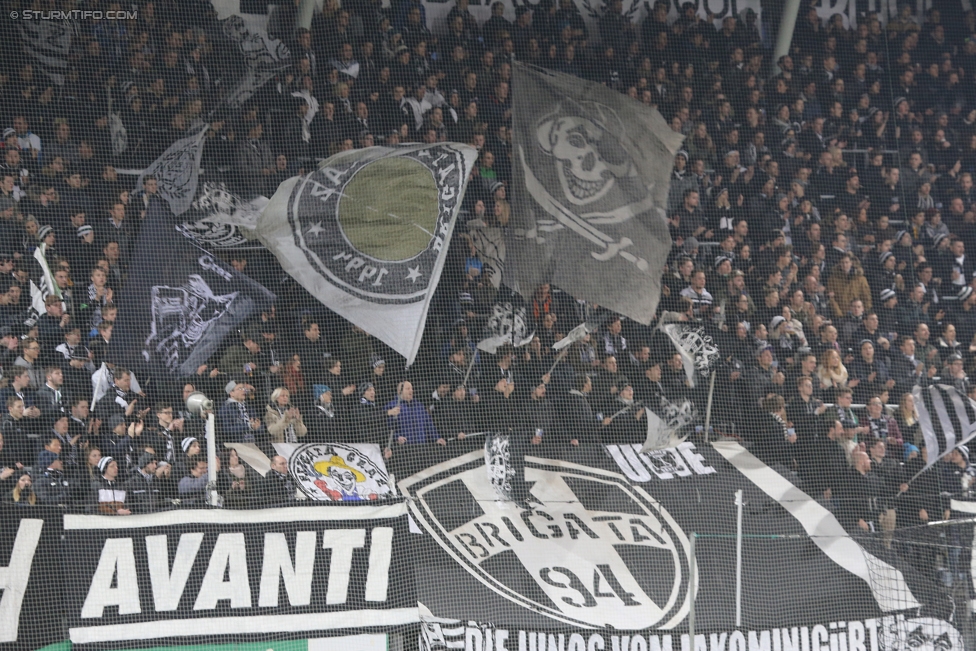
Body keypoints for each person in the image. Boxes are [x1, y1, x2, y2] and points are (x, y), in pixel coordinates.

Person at [386, 381, 440, 447]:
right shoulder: (392, 406)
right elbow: (387, 427)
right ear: (399, 391)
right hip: (403, 447)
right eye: (408, 389)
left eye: (411, 388)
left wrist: (437, 438)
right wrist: (397, 437)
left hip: (421, 446)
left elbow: (428, 424)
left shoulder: (419, 406)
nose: (411, 391)